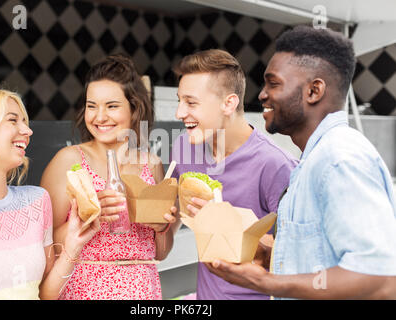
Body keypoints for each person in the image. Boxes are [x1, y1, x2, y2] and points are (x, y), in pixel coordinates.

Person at [206, 26, 396, 299]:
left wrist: (267, 283)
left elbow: (380, 279)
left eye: (273, 83)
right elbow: (322, 264)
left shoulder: (339, 159)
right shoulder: (314, 160)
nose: (262, 94)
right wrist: (268, 255)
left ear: (313, 91)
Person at [40, 54, 177, 300]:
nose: (99, 117)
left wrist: (162, 227)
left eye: (111, 106)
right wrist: (86, 219)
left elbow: (160, 253)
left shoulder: (152, 164)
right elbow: (44, 242)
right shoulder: (69, 161)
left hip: (143, 292)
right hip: (83, 290)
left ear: (135, 109)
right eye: (92, 106)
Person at [0, 85, 99, 300]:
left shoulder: (37, 201)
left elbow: (45, 294)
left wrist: (73, 245)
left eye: (25, 122)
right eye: (13, 120)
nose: (28, 131)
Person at [170, 49, 298, 300]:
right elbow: (169, 226)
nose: (179, 113)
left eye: (191, 102)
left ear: (229, 103)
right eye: (179, 100)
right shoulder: (185, 147)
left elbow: (295, 262)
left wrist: (227, 225)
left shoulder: (275, 165)